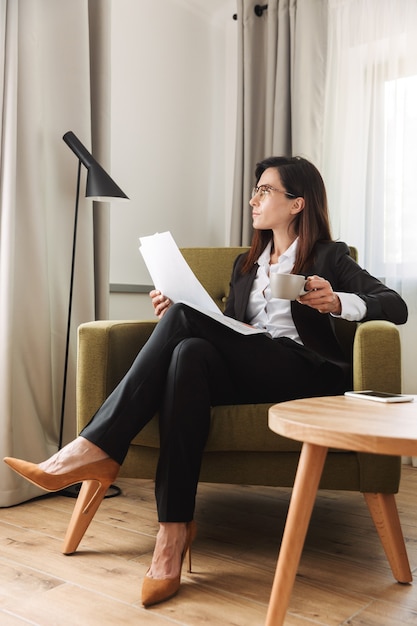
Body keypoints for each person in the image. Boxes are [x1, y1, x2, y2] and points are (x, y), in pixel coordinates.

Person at [4, 156, 408, 607]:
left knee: (184, 327)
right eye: (255, 190)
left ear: (297, 204)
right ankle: (172, 536)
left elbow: (394, 305)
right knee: (188, 351)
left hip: (302, 371)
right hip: (252, 368)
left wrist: (337, 301)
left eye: (265, 191)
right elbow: (230, 329)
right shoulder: (244, 265)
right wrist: (184, 311)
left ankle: (94, 448)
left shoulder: (330, 256)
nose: (253, 199)